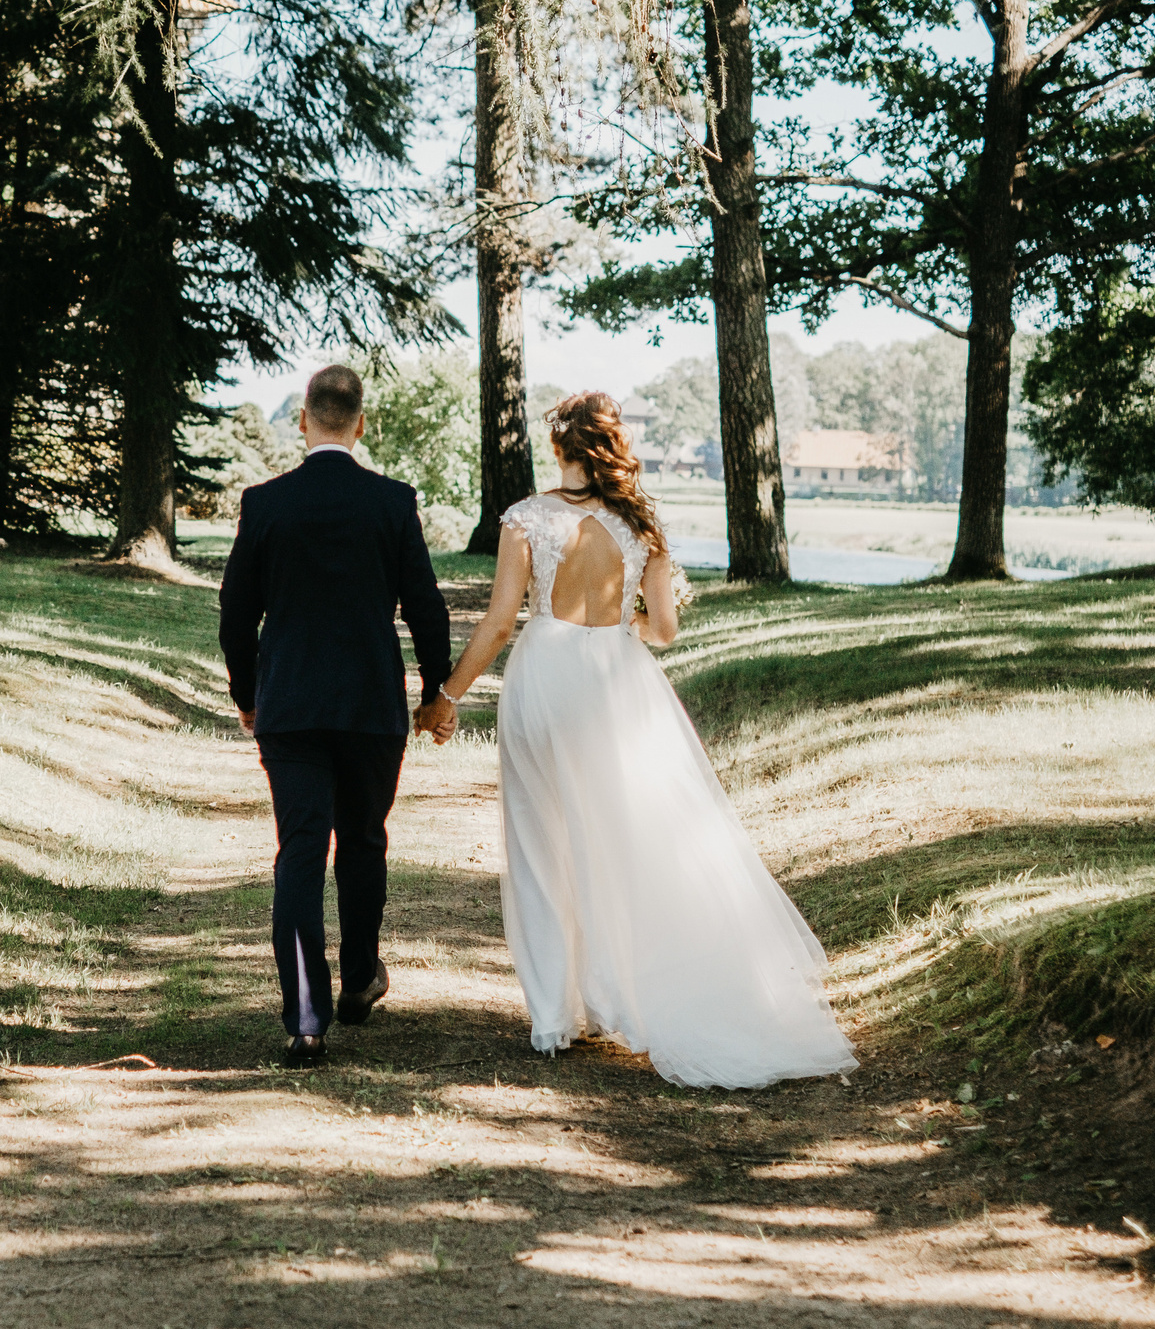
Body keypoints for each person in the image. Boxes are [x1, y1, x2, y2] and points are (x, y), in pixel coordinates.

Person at [424, 391, 856, 1088]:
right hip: (615, 677)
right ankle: (612, 994)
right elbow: (662, 631)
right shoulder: (640, 523)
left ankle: (553, 1014)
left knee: (540, 842)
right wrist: (637, 606)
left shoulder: (526, 519)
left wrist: (447, 695)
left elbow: (502, 621)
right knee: (618, 834)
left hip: (545, 675)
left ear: (559, 446)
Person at [218, 364, 453, 1067]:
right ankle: (358, 980)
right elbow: (426, 605)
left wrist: (247, 691)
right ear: (361, 422)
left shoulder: (265, 504)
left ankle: (307, 1018)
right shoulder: (391, 502)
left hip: (290, 705)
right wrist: (435, 688)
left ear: (303, 421)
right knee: (362, 839)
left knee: (298, 848)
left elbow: (236, 613)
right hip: (369, 705)